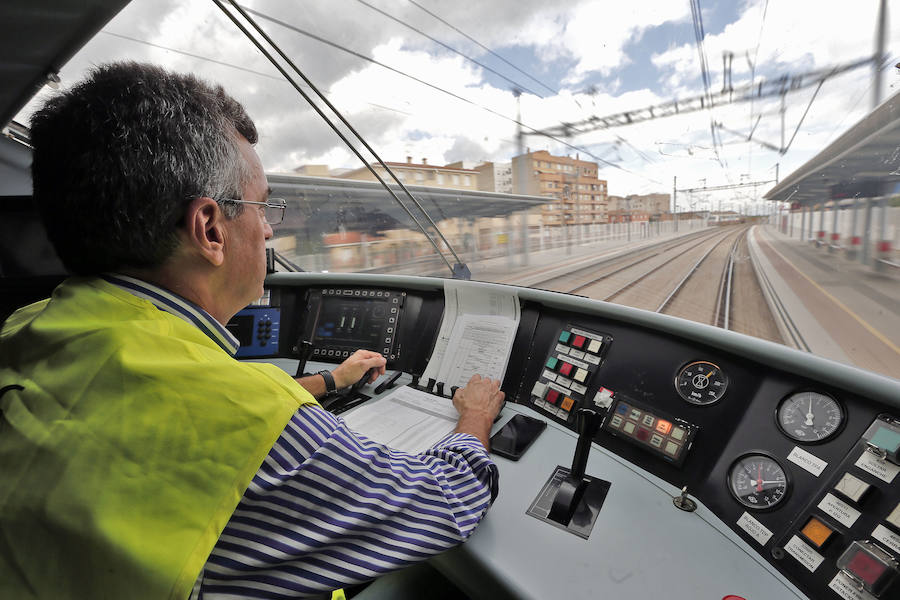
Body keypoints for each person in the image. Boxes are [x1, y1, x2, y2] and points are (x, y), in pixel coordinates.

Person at [0, 62, 505, 600]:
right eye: (263, 206)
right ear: (210, 229)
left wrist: (331, 382)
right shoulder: (250, 421)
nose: (268, 227)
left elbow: (165, 406)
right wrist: (474, 417)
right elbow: (445, 502)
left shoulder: (26, 330)